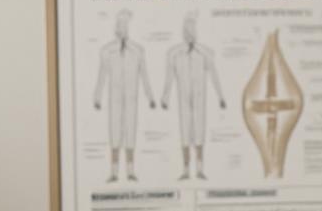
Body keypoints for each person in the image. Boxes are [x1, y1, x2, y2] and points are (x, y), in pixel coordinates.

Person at [161, 14, 226, 180]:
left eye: (192, 30)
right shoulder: (174, 54)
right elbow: (169, 77)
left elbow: (214, 75)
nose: (189, 34)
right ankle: (185, 170)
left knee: (199, 132)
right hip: (183, 97)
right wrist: (165, 97)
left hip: (199, 97)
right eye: (186, 30)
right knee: (185, 131)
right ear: (183, 32)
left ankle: (199, 169)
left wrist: (220, 96)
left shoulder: (205, 53)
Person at [93, 11, 155, 182]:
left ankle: (130, 171)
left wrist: (150, 97)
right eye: (119, 25)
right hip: (114, 99)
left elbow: (144, 75)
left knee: (130, 133)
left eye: (124, 25)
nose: (122, 29)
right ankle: (113, 172)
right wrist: (97, 96)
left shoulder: (138, 51)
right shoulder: (107, 51)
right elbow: (102, 74)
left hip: (132, 99)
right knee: (114, 133)